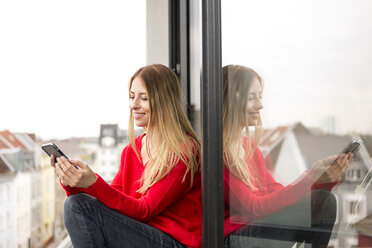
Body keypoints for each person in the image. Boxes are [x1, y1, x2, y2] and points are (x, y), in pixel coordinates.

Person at [51, 64, 202, 248]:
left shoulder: (184, 151)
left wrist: (93, 182)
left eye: (144, 98)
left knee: (76, 205)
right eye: (132, 97)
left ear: (165, 101)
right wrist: (71, 182)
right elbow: (110, 203)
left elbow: (144, 210)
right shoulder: (132, 151)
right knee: (75, 202)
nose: (133, 105)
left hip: (174, 242)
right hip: (141, 234)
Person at [222, 64, 352, 248]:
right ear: (231, 100)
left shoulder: (250, 149)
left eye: (260, 96)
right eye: (252, 97)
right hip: (233, 239)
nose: (260, 105)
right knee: (322, 202)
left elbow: (277, 193)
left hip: (253, 232)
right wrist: (311, 177)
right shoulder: (218, 152)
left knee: (323, 201)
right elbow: (252, 208)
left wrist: (323, 179)